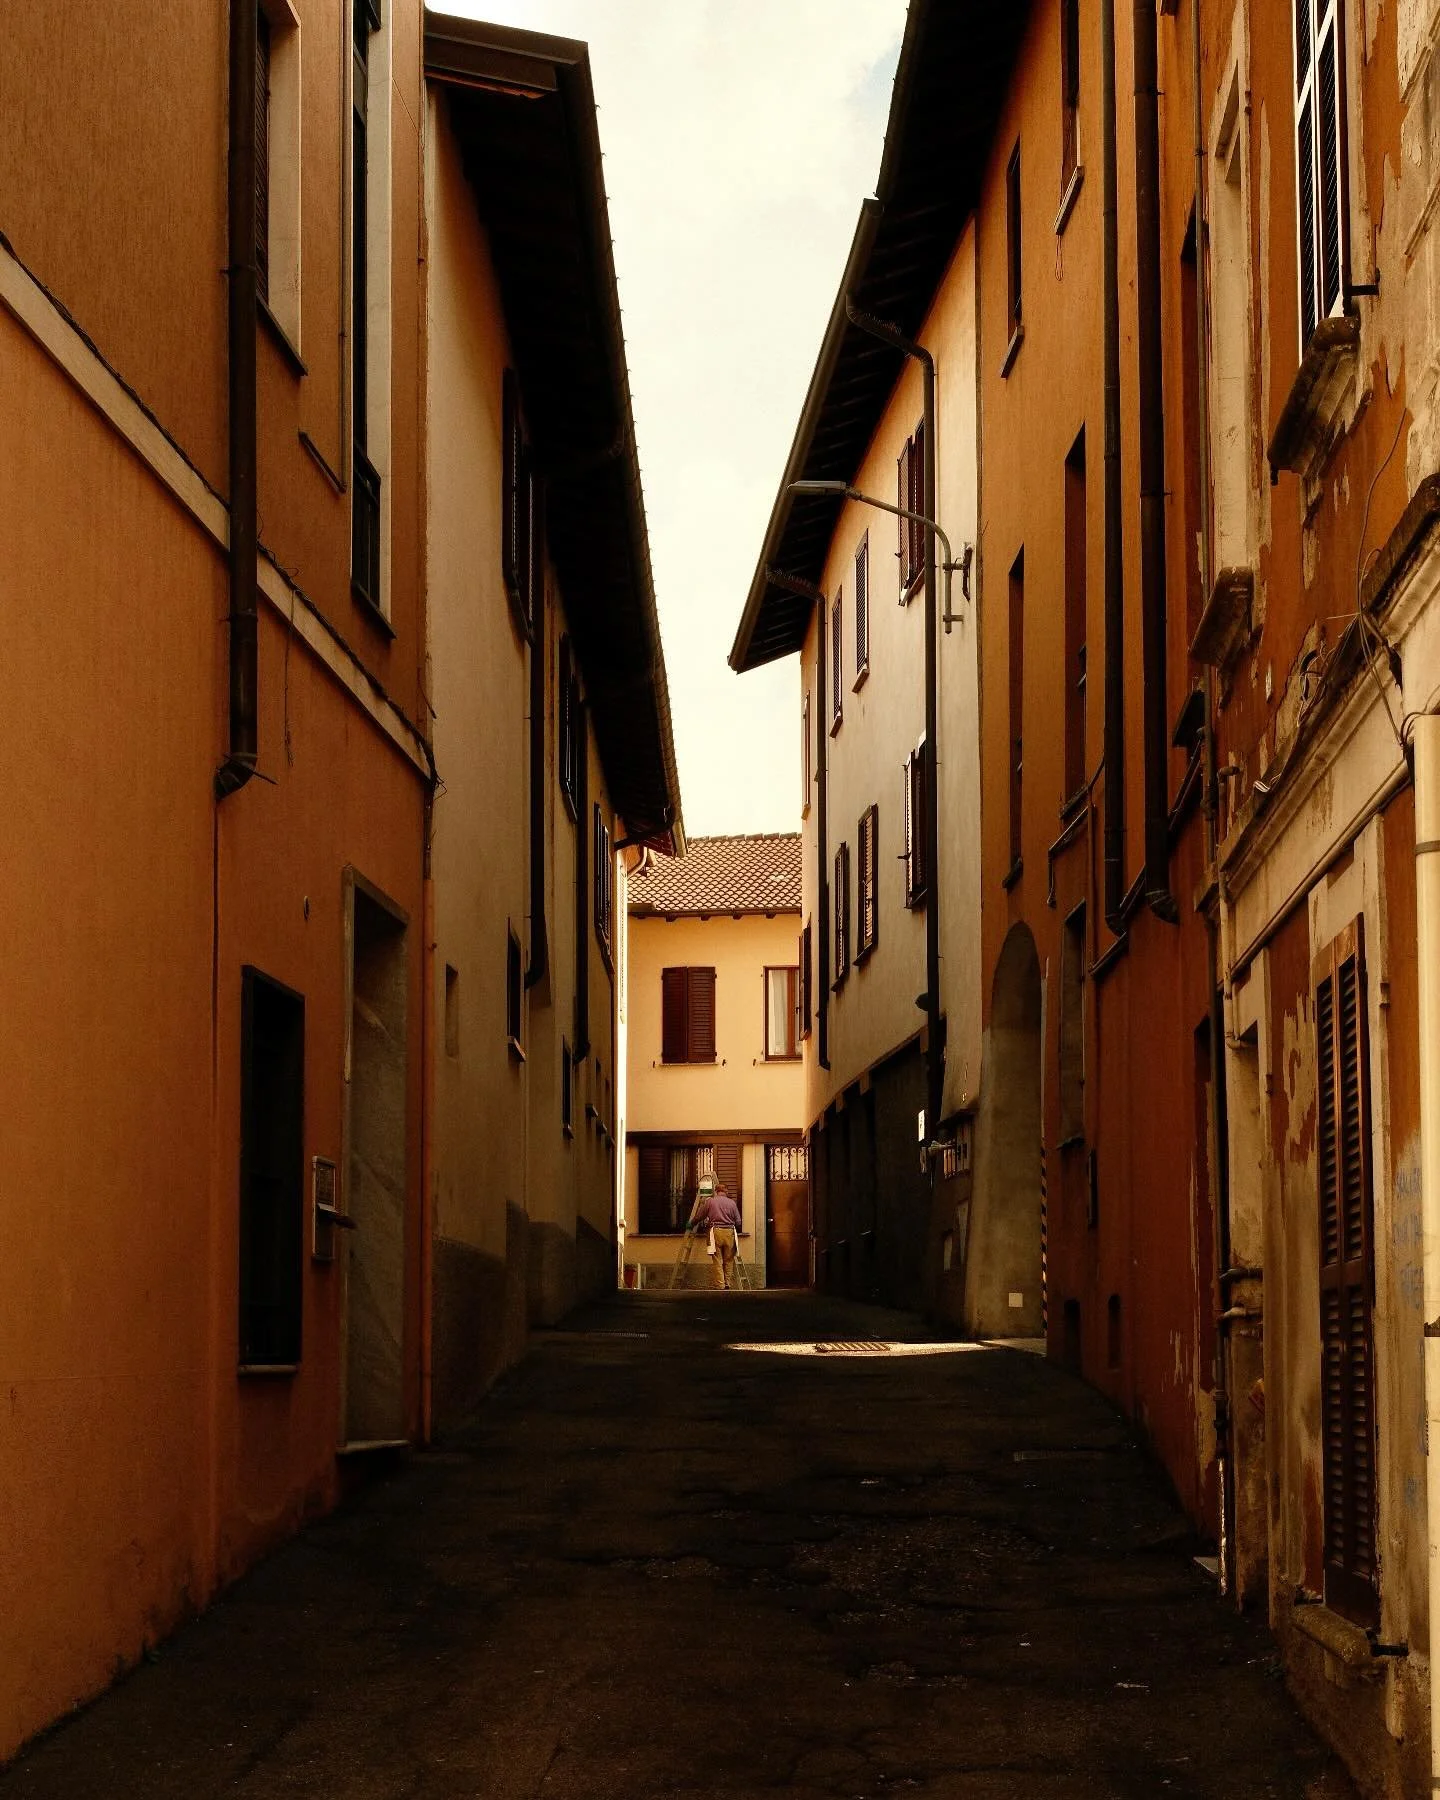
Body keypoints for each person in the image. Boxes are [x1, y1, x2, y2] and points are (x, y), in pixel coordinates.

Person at [696, 1176, 743, 1290]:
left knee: (717, 1259)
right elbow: (738, 1221)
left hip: (715, 1232)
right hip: (729, 1232)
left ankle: (720, 1284)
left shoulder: (710, 1201)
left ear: (716, 1191)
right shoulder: (732, 1203)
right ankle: (728, 1283)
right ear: (725, 1192)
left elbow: (700, 1216)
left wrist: (691, 1224)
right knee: (729, 1260)